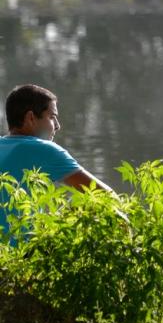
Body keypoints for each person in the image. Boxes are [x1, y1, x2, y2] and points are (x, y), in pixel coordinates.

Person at [0, 83, 114, 238]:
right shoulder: (43, 149)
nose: (58, 126)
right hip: (21, 257)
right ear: (31, 117)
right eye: (52, 117)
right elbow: (107, 197)